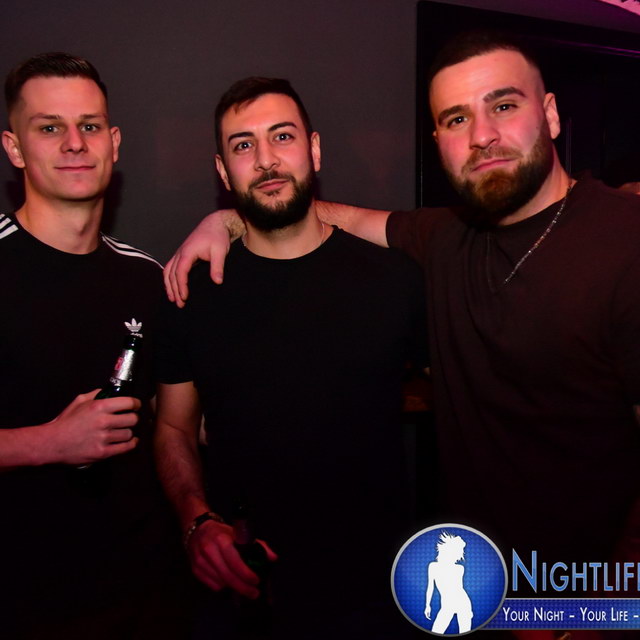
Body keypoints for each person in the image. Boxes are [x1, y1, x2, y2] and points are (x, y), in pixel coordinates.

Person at [163, 30, 640, 607]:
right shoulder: (442, 239)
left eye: (504, 106)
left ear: (552, 114)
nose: (482, 135)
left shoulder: (625, 240)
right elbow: (316, 211)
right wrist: (230, 219)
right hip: (474, 579)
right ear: (439, 140)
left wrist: (599, 611)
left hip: (586, 596)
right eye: (457, 118)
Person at [154, 76, 426, 639]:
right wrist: (195, 520)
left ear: (314, 149)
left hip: (376, 589)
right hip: (245, 589)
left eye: (282, 136)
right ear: (223, 171)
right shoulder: (192, 291)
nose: (266, 159)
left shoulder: (394, 280)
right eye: (244, 144)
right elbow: (173, 428)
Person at [0, 53, 188, 639]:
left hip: (142, 594)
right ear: (14, 148)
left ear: (114, 142)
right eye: (49, 127)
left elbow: (172, 425)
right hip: (19, 601)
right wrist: (46, 443)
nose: (75, 143)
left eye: (89, 125)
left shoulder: (146, 278)